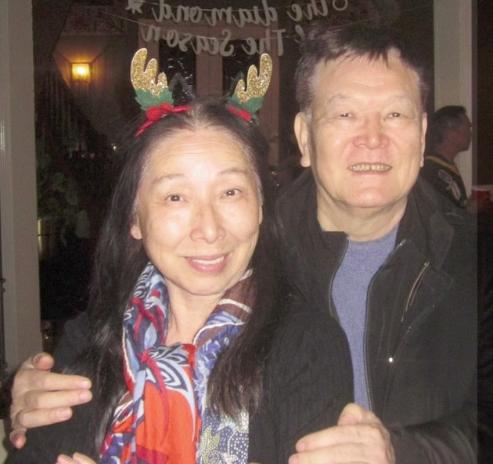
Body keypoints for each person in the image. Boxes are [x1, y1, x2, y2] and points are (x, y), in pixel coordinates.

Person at [9, 25, 483, 463]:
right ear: (304, 137)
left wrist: (402, 452)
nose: (372, 139)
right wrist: (22, 389)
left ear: (423, 133)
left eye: (395, 114)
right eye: (345, 114)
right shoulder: (99, 335)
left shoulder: (474, 262)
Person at [7, 47, 294, 462]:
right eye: (175, 197)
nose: (209, 229)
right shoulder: (88, 342)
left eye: (231, 192)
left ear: (262, 207)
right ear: (135, 219)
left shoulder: (305, 345)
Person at [420, 105, 471, 207]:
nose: (470, 133)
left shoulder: (446, 167)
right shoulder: (431, 173)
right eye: (468, 128)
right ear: (451, 134)